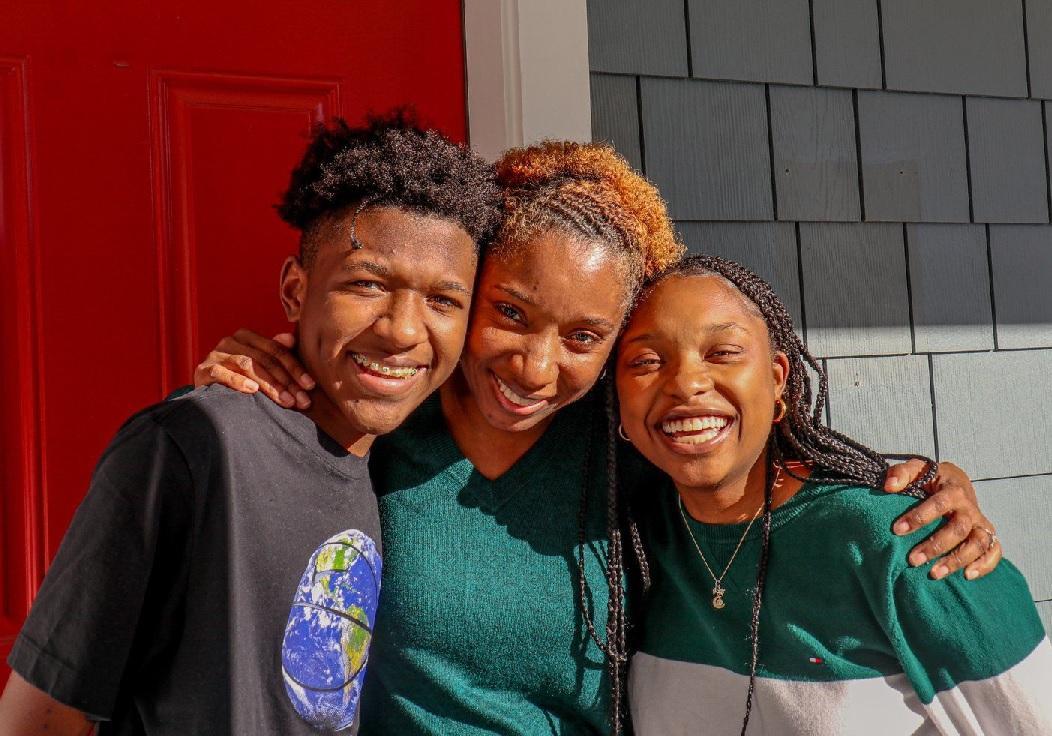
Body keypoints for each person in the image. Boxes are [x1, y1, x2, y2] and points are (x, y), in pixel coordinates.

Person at [194, 142, 1003, 734]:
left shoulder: (627, 453)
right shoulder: (386, 422)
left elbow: (762, 467)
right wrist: (259, 372)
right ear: (467, 284)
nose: (536, 366)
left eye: (584, 338)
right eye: (509, 311)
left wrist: (932, 483)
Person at [0, 115, 503, 735]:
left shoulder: (413, 462)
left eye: (444, 301)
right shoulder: (193, 447)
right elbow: (37, 721)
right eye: (367, 284)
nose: (402, 329)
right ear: (295, 292)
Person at [618, 255, 1050, 735]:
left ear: (778, 379)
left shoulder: (907, 544)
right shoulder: (628, 545)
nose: (685, 384)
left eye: (722, 352)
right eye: (646, 361)